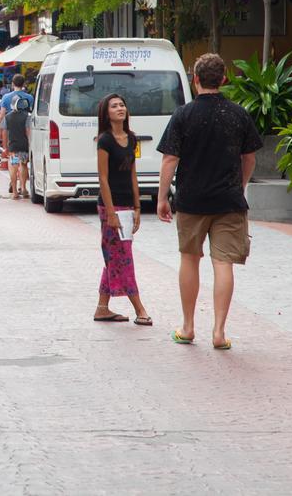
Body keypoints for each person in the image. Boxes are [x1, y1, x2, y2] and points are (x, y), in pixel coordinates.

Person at [157, 53, 262, 350]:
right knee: (223, 263)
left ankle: (188, 327)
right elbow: (250, 157)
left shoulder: (183, 114)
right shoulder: (238, 114)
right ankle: (219, 332)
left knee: (190, 259)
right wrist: (239, 185)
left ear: (196, 79)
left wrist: (162, 198)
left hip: (191, 200)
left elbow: (169, 159)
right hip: (229, 201)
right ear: (224, 79)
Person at [94, 94, 153, 325]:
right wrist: (110, 212)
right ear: (106, 113)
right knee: (123, 257)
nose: (120, 108)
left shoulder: (131, 139)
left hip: (128, 206)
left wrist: (138, 206)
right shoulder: (104, 141)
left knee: (114, 255)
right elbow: (103, 177)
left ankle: (102, 308)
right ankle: (140, 309)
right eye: (114, 106)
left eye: (122, 105)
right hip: (110, 206)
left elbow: (132, 173)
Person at [0, 74, 36, 194]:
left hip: (12, 136)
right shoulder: (30, 98)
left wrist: (1, 134)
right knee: (24, 164)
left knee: (13, 163)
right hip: (24, 135)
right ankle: (23, 187)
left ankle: (14, 188)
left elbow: (1, 116)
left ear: (12, 84)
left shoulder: (6, 97)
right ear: (24, 83)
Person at [5, 95, 32, 200]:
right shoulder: (27, 116)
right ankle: (24, 188)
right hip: (24, 145)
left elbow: (4, 133)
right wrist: (30, 144)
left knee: (13, 167)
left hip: (13, 147)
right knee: (23, 165)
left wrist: (5, 146)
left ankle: (15, 192)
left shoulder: (7, 117)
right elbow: (28, 131)